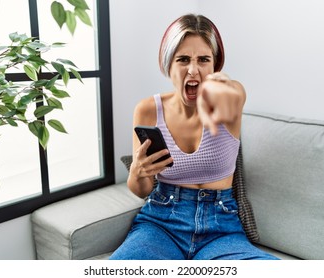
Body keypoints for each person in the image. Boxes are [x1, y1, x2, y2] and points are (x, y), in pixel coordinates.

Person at [110, 14, 278, 260]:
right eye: (183, 59)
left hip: (220, 231)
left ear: (215, 66)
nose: (193, 70)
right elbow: (141, 190)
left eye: (203, 60)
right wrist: (137, 172)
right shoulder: (147, 110)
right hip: (161, 224)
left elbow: (236, 93)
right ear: (168, 65)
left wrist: (227, 89)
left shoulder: (227, 102)